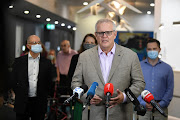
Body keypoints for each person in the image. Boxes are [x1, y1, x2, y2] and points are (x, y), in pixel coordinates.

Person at [71, 18, 145, 120]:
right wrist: (86, 96)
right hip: (92, 114)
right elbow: (75, 83)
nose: (104, 36)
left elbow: (139, 82)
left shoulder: (131, 56)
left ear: (115, 34)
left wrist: (124, 97)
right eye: (100, 33)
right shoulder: (84, 56)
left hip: (121, 114)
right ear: (96, 35)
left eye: (108, 32)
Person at [9, 35, 53, 120]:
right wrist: (19, 92)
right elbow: (13, 80)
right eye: (34, 43)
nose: (37, 45)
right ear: (28, 46)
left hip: (39, 102)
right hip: (22, 101)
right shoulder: (19, 62)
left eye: (39, 43)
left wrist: (45, 94)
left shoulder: (47, 63)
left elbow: (49, 82)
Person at [138, 39, 174, 120]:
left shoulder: (167, 68)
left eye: (154, 49)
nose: (152, 51)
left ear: (159, 49)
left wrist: (161, 104)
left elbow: (170, 89)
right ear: (146, 50)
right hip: (143, 109)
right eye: (149, 49)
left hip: (161, 109)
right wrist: (143, 103)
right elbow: (136, 87)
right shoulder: (139, 67)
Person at [68, 33, 97, 120]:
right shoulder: (76, 58)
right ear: (83, 43)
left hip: (95, 98)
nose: (89, 44)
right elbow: (71, 78)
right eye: (87, 42)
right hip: (79, 98)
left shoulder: (99, 59)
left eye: (92, 43)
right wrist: (77, 95)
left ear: (96, 44)